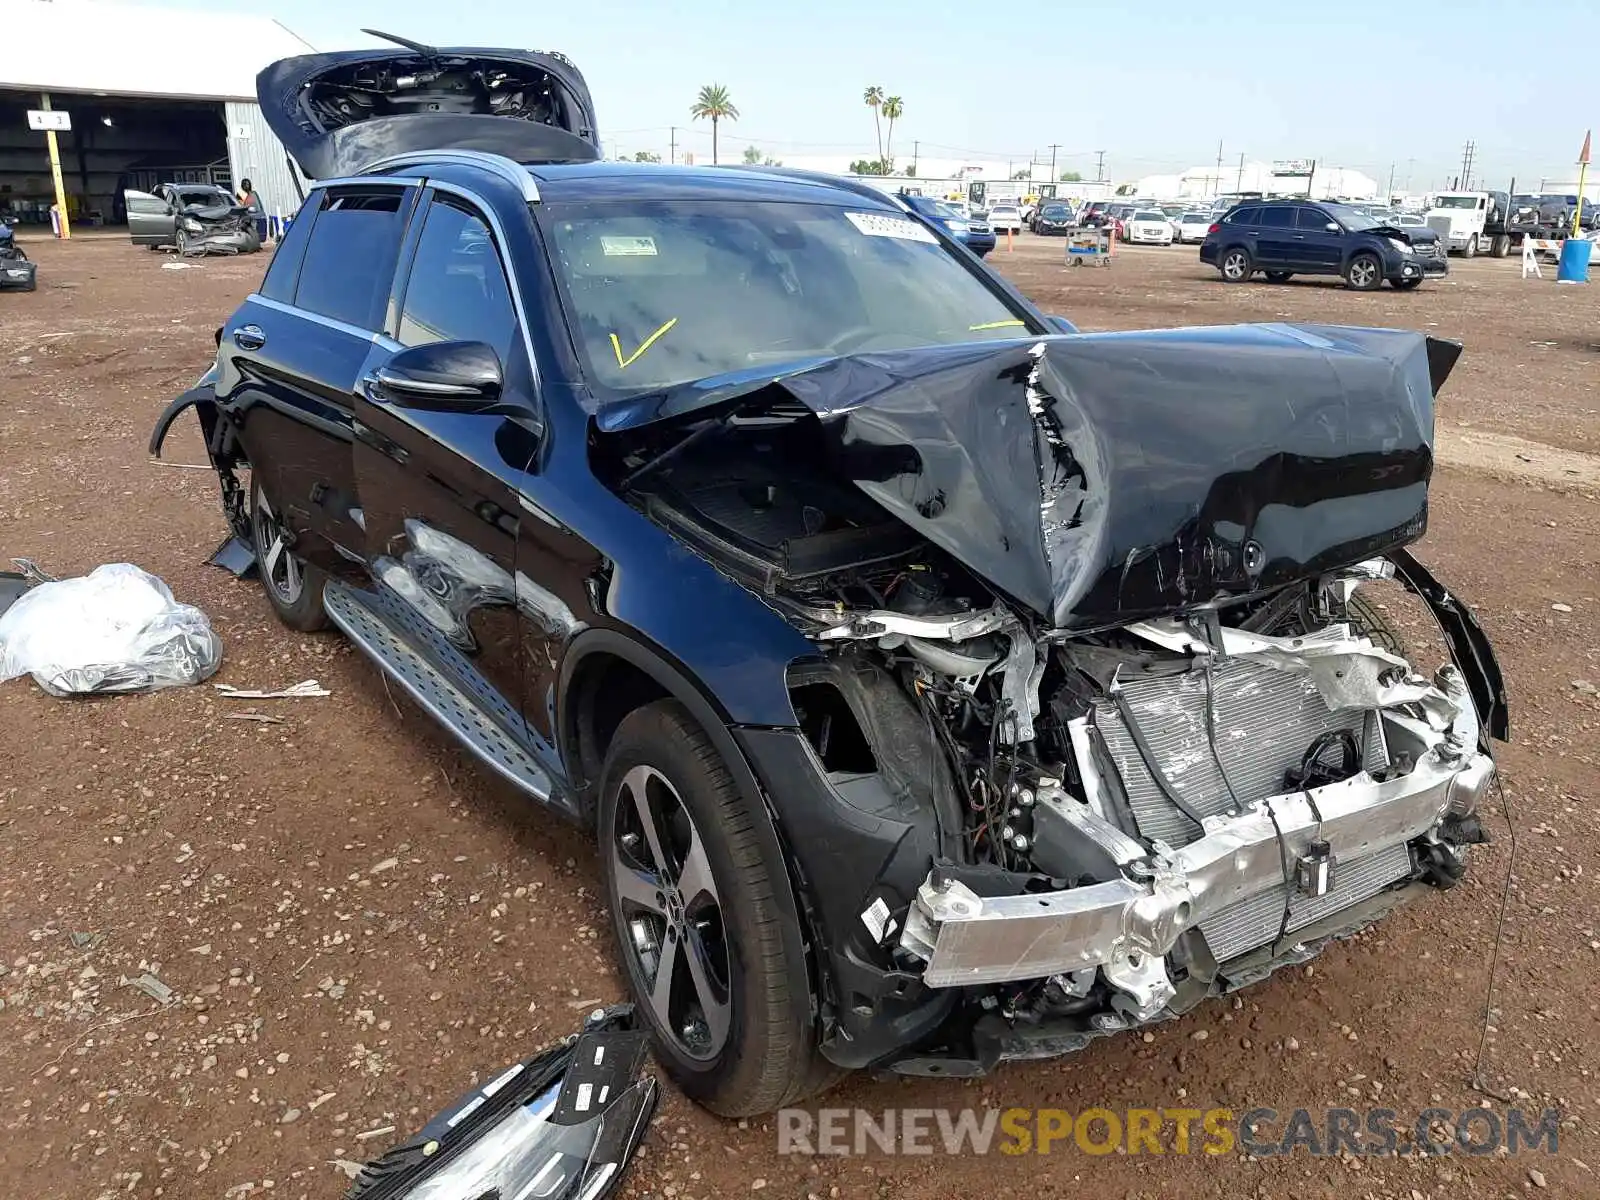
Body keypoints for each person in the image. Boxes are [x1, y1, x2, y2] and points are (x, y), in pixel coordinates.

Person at [237, 178, 267, 244]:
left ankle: (256, 243)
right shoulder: (241, 194)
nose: (247, 186)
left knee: (256, 230)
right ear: (242, 185)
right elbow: (239, 205)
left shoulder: (253, 193)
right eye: (245, 184)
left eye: (248, 184)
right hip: (245, 215)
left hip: (255, 214)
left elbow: (257, 204)